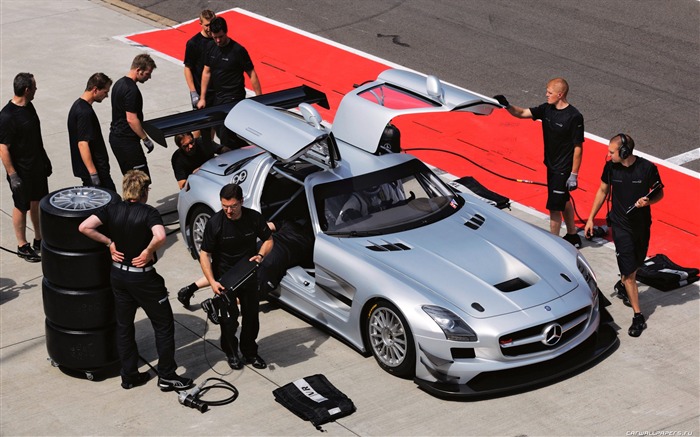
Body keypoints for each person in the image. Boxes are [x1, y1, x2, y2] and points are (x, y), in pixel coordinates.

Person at [78, 170, 194, 391]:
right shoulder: (148, 212)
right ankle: (167, 375)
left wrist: (109, 243)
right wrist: (148, 250)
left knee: (124, 326)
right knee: (163, 325)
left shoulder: (111, 209)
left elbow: (84, 227)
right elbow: (160, 236)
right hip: (144, 280)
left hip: (119, 276)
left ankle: (129, 375)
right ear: (143, 192)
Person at [584, 134, 663, 338]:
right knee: (629, 274)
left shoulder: (647, 168)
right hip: (620, 227)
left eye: (612, 152)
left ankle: (622, 285)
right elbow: (602, 191)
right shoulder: (610, 168)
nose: (608, 155)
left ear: (625, 152)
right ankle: (638, 316)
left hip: (642, 226)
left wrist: (648, 202)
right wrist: (591, 217)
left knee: (636, 263)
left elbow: (659, 193)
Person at [493, 78, 584, 247]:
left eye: (549, 92)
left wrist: (574, 174)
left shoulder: (574, 117)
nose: (546, 95)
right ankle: (573, 235)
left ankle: (553, 244)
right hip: (550, 164)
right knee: (563, 200)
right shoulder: (546, 109)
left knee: (554, 207)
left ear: (560, 94)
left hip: (562, 169)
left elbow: (578, 147)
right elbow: (521, 113)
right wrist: (507, 106)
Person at [199, 183, 273, 370]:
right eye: (224, 206)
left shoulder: (253, 218)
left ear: (241, 201)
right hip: (224, 280)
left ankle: (250, 352)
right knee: (229, 321)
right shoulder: (215, 223)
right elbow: (204, 254)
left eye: (233, 206)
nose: (229, 211)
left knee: (251, 318)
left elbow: (268, 240)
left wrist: (261, 256)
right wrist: (212, 282)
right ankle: (231, 353)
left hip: (248, 275)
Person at [0, 72, 52, 262]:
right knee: (21, 206)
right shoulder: (7, 116)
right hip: (20, 171)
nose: (36, 90)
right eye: (35, 87)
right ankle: (22, 245)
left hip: (36, 166)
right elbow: (3, 148)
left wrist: (44, 159)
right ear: (27, 89)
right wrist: (13, 175)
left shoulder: (30, 107)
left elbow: (36, 137)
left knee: (37, 202)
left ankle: (39, 239)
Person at [196, 16, 261, 149]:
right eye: (215, 37)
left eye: (221, 36)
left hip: (234, 97)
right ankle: (247, 150)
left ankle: (238, 152)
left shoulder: (238, 50)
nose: (218, 40)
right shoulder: (210, 47)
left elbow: (251, 73)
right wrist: (202, 98)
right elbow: (206, 72)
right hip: (218, 97)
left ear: (226, 32)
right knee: (221, 131)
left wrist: (259, 97)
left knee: (226, 134)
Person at [109, 53, 160, 178]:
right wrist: (145, 139)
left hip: (116, 139)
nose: (149, 77)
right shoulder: (131, 90)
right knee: (141, 180)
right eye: (148, 73)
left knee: (129, 180)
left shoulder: (119, 84)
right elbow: (131, 119)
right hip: (127, 142)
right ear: (139, 70)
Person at [67, 72, 116, 191]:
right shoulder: (85, 112)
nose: (106, 96)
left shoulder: (78, 106)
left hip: (93, 171)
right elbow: (83, 144)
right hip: (96, 172)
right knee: (111, 203)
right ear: (95, 90)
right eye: (105, 92)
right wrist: (93, 173)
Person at [184, 9, 216, 111]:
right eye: (206, 25)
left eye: (212, 24)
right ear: (200, 24)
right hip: (201, 91)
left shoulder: (219, 39)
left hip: (217, 92)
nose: (209, 28)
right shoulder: (193, 43)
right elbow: (187, 68)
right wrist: (193, 92)